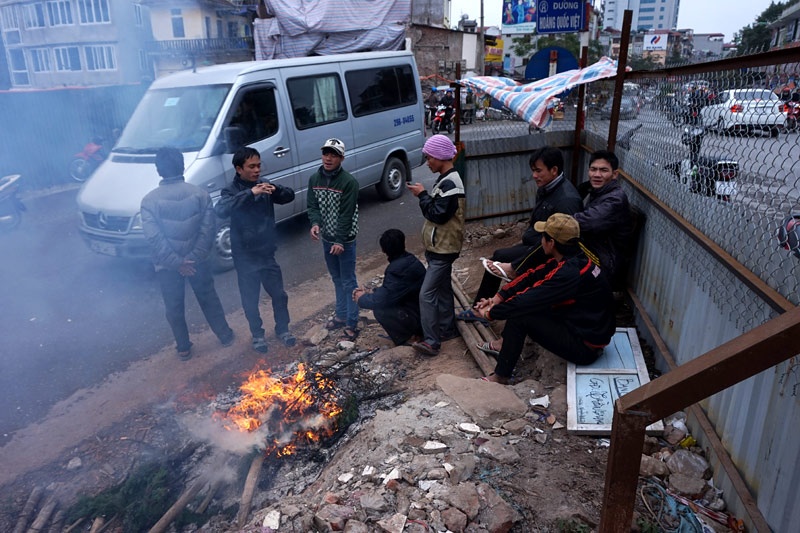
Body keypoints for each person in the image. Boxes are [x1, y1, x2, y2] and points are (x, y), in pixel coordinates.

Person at [474, 214, 615, 384]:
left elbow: (526, 301)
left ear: (552, 242)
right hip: (585, 327)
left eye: (543, 237)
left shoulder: (568, 274)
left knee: (520, 315)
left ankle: (501, 376)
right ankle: (505, 346)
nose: (541, 241)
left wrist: (491, 313)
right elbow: (533, 276)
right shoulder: (575, 257)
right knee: (525, 304)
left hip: (585, 347)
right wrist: (498, 298)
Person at [457, 146, 582, 322]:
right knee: (499, 257)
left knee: (504, 262)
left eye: (538, 171)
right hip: (535, 244)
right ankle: (482, 306)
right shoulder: (547, 188)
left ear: (554, 170)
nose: (534, 176)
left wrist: (516, 266)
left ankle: (488, 308)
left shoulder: (566, 200)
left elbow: (556, 244)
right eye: (533, 171)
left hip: (547, 252)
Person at [141, 147, 234, 360]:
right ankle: (225, 336)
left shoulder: (149, 201)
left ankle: (183, 348)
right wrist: (193, 258)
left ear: (158, 170)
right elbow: (208, 230)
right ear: (182, 166)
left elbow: (154, 238)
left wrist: (176, 262)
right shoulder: (200, 194)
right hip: (198, 261)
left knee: (174, 306)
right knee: (208, 298)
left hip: (167, 265)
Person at [215, 147, 296, 354]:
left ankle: (283, 330)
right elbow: (221, 209)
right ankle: (257, 335)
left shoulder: (264, 185)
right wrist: (250, 193)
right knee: (250, 300)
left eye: (259, 165)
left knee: (279, 295)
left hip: (266, 253)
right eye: (252, 166)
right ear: (239, 169)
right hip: (245, 257)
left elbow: (289, 196)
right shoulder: (231, 190)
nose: (257, 170)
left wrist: (275, 189)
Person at [407, 134, 466, 356]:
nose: (428, 162)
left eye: (429, 157)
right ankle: (447, 329)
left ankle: (432, 341)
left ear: (441, 156)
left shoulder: (450, 182)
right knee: (442, 290)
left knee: (427, 293)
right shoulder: (447, 179)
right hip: (440, 246)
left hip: (444, 248)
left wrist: (422, 195)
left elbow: (437, 214)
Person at [308, 138, 360, 341]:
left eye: (333, 155)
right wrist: (314, 223)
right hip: (327, 238)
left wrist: (339, 240)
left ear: (341, 158)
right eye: (326, 154)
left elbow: (346, 215)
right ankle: (341, 315)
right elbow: (312, 205)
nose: (328, 158)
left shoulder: (349, 182)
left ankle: (352, 323)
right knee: (336, 278)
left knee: (348, 280)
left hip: (344, 240)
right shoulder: (315, 179)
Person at [353, 229, 426, 345]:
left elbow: (383, 300)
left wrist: (361, 298)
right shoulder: (409, 259)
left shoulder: (396, 270)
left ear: (383, 250)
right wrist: (371, 291)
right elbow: (393, 290)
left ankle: (410, 337)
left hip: (422, 317)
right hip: (424, 308)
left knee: (380, 310)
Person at [575, 150, 633, 285]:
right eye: (593, 169)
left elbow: (590, 221)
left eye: (603, 170)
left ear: (614, 174)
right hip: (592, 248)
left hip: (605, 261)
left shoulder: (615, 199)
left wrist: (561, 221)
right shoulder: (598, 191)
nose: (597, 175)